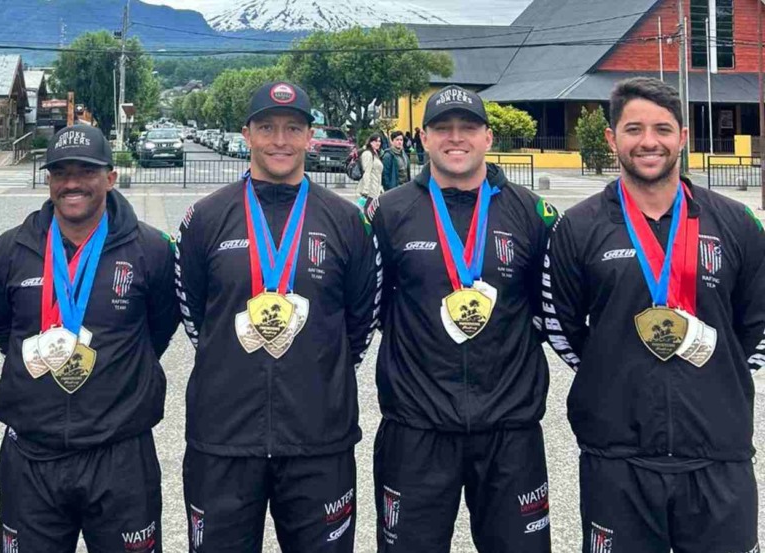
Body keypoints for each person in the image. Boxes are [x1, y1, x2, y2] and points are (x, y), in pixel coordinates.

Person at [543, 77, 764, 553]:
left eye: (663, 128)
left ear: (683, 136)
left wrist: (716, 375)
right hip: (616, 460)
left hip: (718, 458)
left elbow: (756, 323)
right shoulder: (577, 227)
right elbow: (560, 324)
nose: (649, 141)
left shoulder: (736, 223)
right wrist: (614, 369)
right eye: (634, 128)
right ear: (611, 139)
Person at [174, 81, 379, 553]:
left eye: (293, 128)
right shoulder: (205, 218)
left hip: (319, 440)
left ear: (311, 136)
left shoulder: (346, 222)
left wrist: (315, 369)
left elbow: (360, 323)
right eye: (267, 127)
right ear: (246, 134)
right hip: (223, 439)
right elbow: (196, 317)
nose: (280, 140)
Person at [367, 85, 555, 552]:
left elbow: (551, 310)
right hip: (416, 431)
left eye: (468, 128)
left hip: (509, 433)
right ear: (424, 139)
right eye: (442, 128)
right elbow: (368, 309)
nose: (456, 138)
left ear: (488, 137)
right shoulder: (390, 212)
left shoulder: (532, 212)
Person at [0, 124, 179, 552]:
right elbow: (4, 331)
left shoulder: (152, 249)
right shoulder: (10, 250)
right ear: (48, 178)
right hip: (31, 457)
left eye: (86, 171)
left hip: (121, 456)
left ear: (110, 177)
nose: (72, 183)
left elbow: (157, 331)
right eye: (61, 172)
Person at [355, 132, 385, 200]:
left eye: (379, 141)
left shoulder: (375, 154)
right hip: (369, 193)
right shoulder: (368, 154)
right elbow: (367, 172)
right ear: (370, 142)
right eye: (375, 141)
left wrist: (380, 188)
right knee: (366, 210)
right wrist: (365, 191)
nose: (378, 143)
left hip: (375, 191)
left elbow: (377, 174)